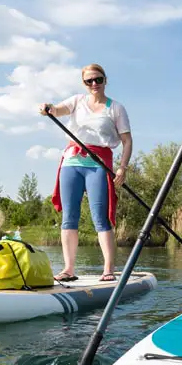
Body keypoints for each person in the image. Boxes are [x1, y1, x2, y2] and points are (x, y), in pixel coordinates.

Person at [39, 64, 133, 282]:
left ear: (105, 80)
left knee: (100, 218)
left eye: (98, 80)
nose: (94, 84)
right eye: (89, 81)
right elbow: (57, 110)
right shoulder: (77, 101)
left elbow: (127, 141)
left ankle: (108, 269)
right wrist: (47, 108)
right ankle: (69, 269)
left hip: (98, 165)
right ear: (84, 83)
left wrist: (122, 167)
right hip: (71, 162)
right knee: (69, 218)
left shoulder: (116, 108)